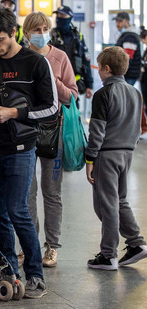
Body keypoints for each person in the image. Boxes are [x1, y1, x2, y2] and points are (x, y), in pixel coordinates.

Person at [0, 7, 58, 299]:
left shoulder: (35, 63)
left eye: (0, 40)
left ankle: (35, 276)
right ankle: (8, 271)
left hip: (22, 149)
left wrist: (15, 112)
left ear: (13, 33)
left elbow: (51, 108)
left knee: (18, 210)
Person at [23, 12, 78, 268]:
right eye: (36, 28)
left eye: (45, 28)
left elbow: (71, 97)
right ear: (26, 32)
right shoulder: (20, 58)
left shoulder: (60, 57)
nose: (41, 32)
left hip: (52, 131)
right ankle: (29, 243)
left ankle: (52, 247)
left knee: (52, 192)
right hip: (23, 131)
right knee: (27, 192)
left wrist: (53, 80)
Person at [85, 46, 147, 270]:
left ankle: (108, 254)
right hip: (128, 153)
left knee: (106, 205)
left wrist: (90, 158)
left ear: (107, 69)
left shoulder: (103, 94)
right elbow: (139, 126)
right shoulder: (135, 93)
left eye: (100, 68)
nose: (98, 72)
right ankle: (136, 243)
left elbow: (98, 131)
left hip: (106, 154)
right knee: (119, 200)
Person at [50, 6, 94, 103]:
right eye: (58, 15)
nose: (59, 17)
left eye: (62, 15)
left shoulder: (78, 37)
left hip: (73, 83)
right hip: (54, 83)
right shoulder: (51, 36)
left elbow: (86, 61)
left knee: (73, 115)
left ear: (70, 17)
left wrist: (89, 85)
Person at [114, 12, 142, 86]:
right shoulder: (126, 35)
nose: (117, 24)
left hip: (128, 75)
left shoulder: (130, 37)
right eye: (116, 21)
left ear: (127, 22)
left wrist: (119, 73)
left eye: (120, 21)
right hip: (127, 74)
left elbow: (127, 58)